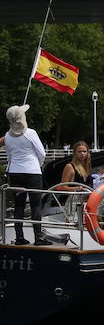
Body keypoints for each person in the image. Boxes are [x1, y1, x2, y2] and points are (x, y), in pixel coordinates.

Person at [2, 105, 45, 245]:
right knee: (35, 205)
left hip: (15, 173)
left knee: (19, 205)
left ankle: (19, 237)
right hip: (32, 173)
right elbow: (42, 153)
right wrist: (37, 165)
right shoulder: (31, 133)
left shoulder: (7, 136)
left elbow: (9, 156)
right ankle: (38, 237)